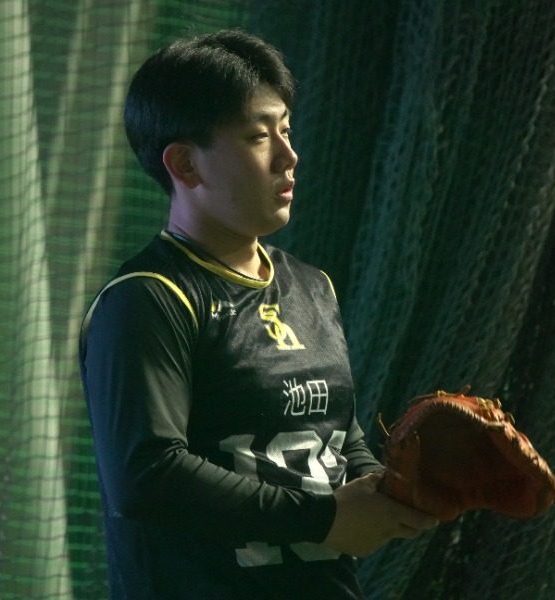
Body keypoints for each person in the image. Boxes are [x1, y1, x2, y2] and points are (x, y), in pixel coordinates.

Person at [79, 29, 438, 599]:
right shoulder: (147, 299)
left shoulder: (312, 287)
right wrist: (323, 517)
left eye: (286, 131)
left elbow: (336, 436)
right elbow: (146, 475)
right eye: (258, 136)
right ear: (185, 164)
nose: (288, 157)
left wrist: (388, 491)